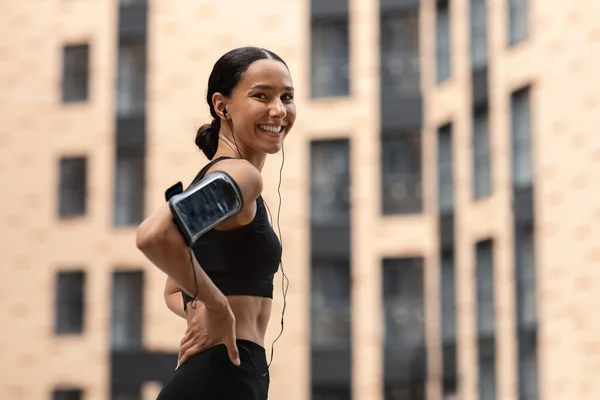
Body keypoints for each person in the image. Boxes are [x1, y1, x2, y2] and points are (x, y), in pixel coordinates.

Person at [136, 46, 296, 399]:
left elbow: (174, 290)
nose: (278, 110)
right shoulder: (241, 176)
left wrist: (206, 310)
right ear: (222, 106)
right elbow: (154, 235)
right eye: (261, 96)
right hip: (220, 377)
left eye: (287, 96)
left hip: (226, 373)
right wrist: (219, 309)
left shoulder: (226, 180)